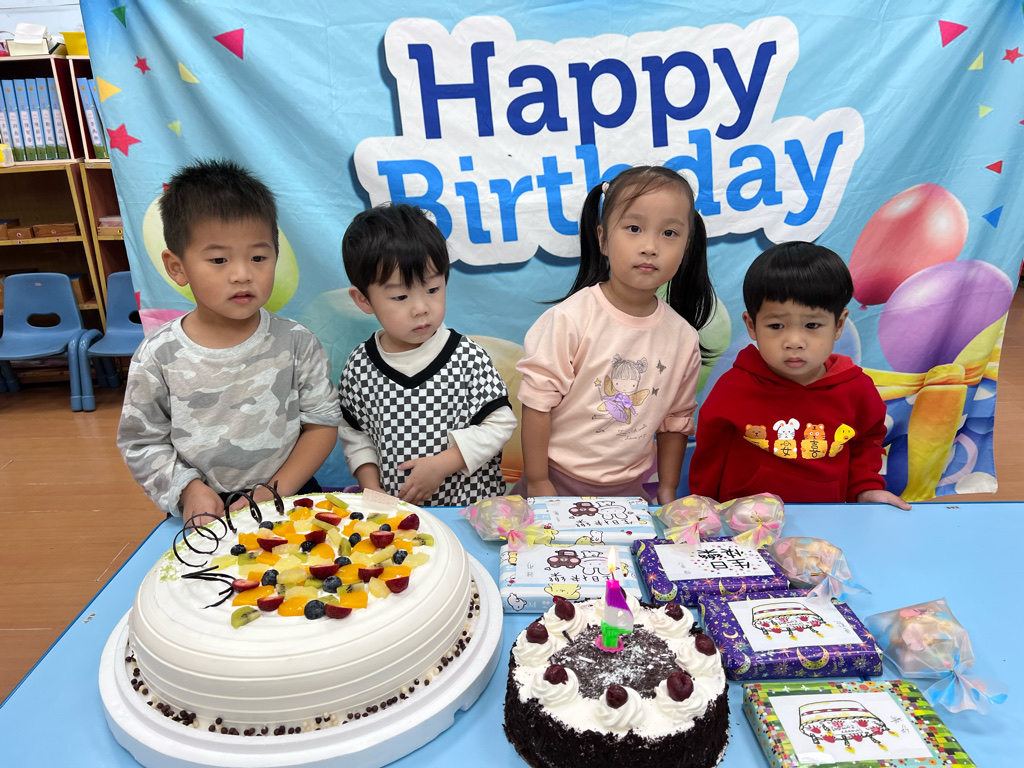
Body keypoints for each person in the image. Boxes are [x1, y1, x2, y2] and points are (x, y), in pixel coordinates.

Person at [117, 159, 342, 528]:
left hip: (288, 496)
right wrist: (188, 490)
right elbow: (141, 443)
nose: (242, 274)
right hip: (204, 509)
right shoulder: (158, 356)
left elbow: (322, 424)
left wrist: (272, 492)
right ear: (177, 267)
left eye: (258, 257)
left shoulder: (297, 343)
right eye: (219, 259)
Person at [514, 165, 715, 504]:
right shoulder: (570, 319)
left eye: (669, 233)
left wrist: (667, 490)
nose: (650, 246)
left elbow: (675, 421)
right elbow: (537, 402)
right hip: (553, 484)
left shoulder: (683, 338)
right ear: (604, 239)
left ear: (687, 246)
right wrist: (537, 481)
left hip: (629, 494)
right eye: (634, 228)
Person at [688, 241, 912, 509]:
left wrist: (865, 490)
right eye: (776, 326)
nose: (794, 341)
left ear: (838, 325)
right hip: (743, 523)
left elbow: (866, 443)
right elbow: (710, 452)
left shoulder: (858, 389)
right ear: (752, 325)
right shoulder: (734, 387)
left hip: (827, 521)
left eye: (812, 325)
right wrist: (704, 504)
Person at [337, 203, 516, 506]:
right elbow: (356, 434)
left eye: (433, 290)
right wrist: (371, 486)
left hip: (468, 511)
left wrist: (443, 464)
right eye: (400, 296)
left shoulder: (468, 358)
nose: (421, 308)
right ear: (363, 299)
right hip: (397, 516)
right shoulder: (359, 367)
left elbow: (500, 424)